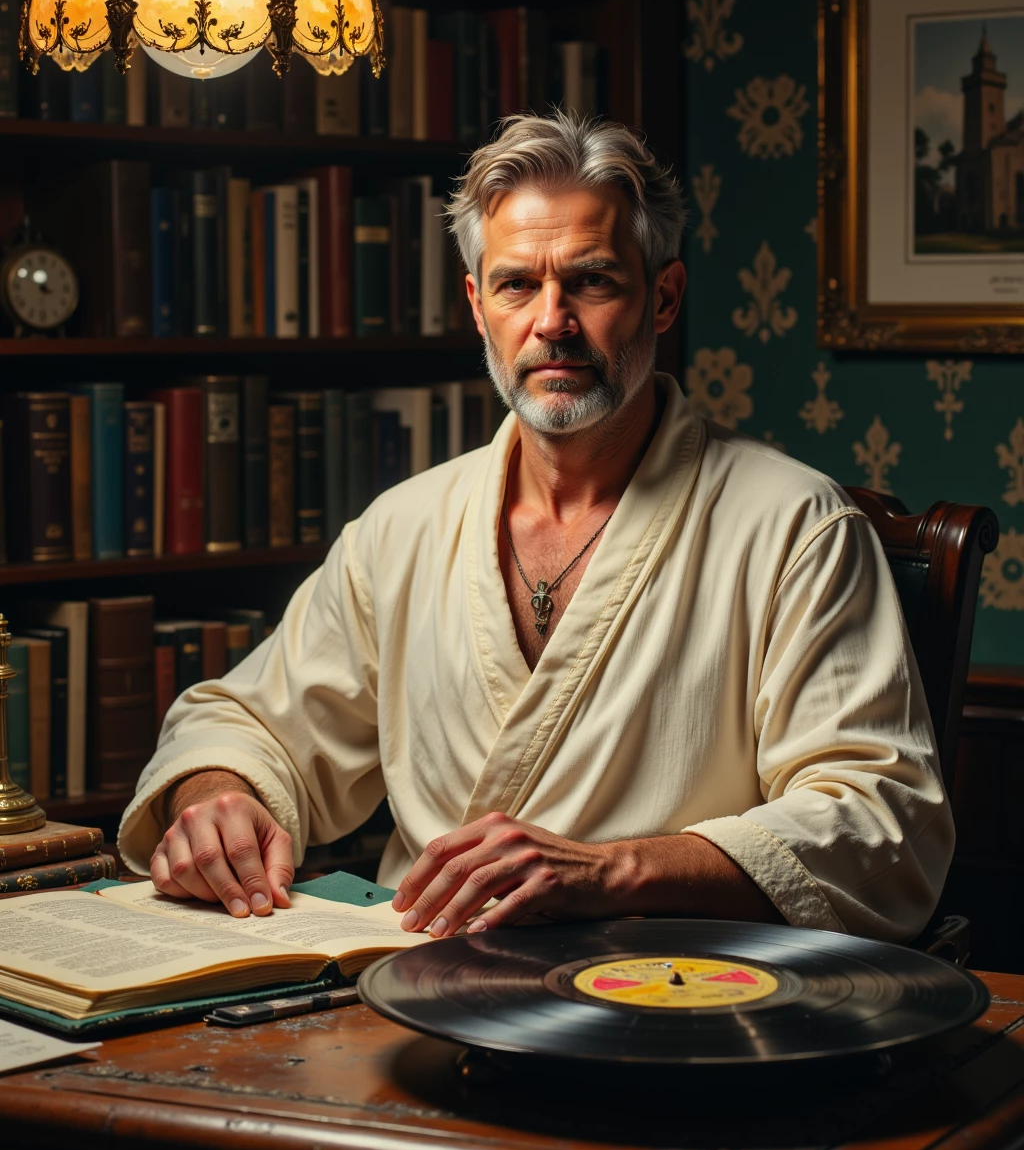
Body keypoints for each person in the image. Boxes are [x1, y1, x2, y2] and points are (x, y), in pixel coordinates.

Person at [118, 112, 953, 943]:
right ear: (479, 307)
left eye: (591, 281)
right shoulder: (403, 529)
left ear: (662, 298)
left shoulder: (793, 529)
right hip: (405, 989)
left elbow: (880, 824)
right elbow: (251, 723)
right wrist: (215, 797)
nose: (552, 321)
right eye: (518, 284)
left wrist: (610, 873)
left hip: (673, 1000)